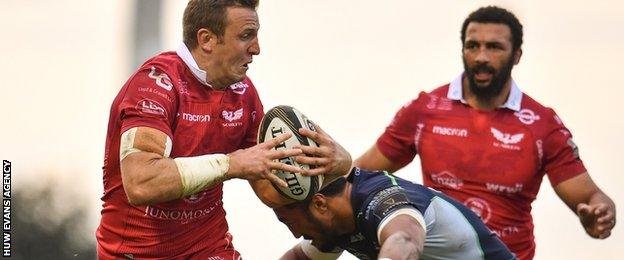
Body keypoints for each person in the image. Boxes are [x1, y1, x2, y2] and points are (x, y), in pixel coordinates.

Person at [354, 6, 616, 260]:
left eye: (494, 47)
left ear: (517, 55)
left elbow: (591, 197)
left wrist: (600, 214)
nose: (481, 57)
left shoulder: (542, 124)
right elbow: (359, 176)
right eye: (472, 46)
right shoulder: (426, 110)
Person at [96, 1, 310, 258]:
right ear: (206, 39)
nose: (256, 49)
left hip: (208, 247)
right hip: (136, 252)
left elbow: (270, 188)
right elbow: (141, 183)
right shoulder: (154, 86)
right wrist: (230, 164)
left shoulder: (243, 93)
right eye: (245, 36)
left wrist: (335, 166)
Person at [275, 167, 516, 260]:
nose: (296, 234)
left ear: (319, 204)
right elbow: (298, 259)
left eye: (289, 222)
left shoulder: (382, 200)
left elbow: (405, 239)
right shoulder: (335, 220)